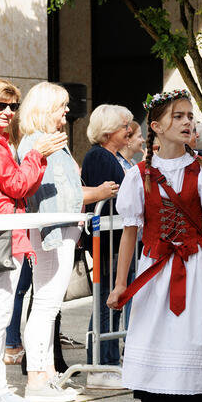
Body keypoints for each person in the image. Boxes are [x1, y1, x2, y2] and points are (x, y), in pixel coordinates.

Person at [107, 89, 202, 402]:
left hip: (193, 269)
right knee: (162, 344)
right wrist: (119, 284)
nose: (187, 122)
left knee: (188, 342)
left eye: (189, 115)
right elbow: (130, 231)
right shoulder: (138, 176)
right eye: (177, 116)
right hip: (155, 269)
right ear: (157, 127)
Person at [17, 82, 118, 402]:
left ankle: (45, 374)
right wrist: (99, 193)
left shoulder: (47, 144)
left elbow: (67, 188)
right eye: (61, 106)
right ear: (46, 109)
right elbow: (62, 193)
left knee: (48, 305)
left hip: (58, 229)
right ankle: (37, 380)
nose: (66, 112)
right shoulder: (40, 144)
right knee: (46, 306)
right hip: (53, 230)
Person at [0, 79, 67, 402]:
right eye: (1, 106)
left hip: (1, 229)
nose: (8, 113)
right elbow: (16, 183)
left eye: (12, 107)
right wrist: (37, 155)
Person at [80, 103, 135, 377]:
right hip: (109, 242)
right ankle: (102, 362)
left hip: (118, 241)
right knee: (106, 300)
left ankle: (110, 359)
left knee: (115, 300)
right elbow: (110, 198)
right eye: (124, 126)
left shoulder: (113, 156)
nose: (129, 131)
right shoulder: (99, 157)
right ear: (108, 131)